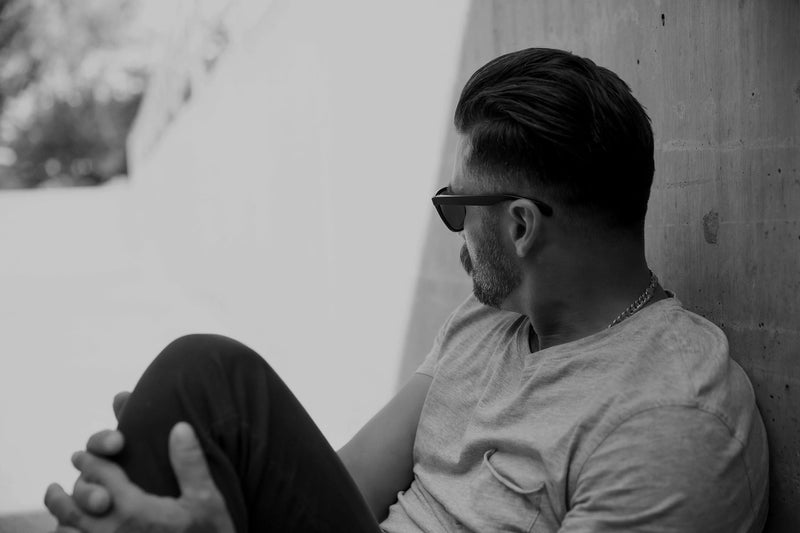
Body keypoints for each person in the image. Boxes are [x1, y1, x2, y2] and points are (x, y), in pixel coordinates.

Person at [44, 47, 769, 532]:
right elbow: (348, 484)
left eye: (456, 207)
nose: (456, 234)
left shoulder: (668, 422)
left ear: (520, 225)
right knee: (204, 377)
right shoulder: (488, 323)